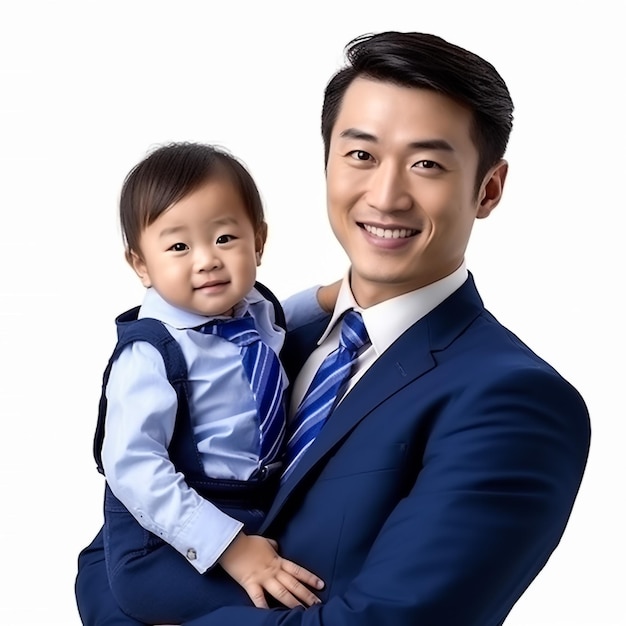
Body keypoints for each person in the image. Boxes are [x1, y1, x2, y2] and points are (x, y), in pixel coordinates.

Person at [75, 31, 591, 626]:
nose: (386, 194)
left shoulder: (515, 400)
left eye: (426, 164)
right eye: (361, 155)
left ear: (488, 189)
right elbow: (111, 550)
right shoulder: (253, 338)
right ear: (328, 165)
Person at [90, 141, 331, 624]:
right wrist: (231, 548)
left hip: (251, 511)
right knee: (288, 611)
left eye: (225, 238)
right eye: (179, 246)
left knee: (309, 586)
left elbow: (281, 318)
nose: (206, 260)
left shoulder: (251, 310)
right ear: (141, 264)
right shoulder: (149, 355)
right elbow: (134, 468)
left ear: (258, 241)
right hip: (164, 541)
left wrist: (332, 295)